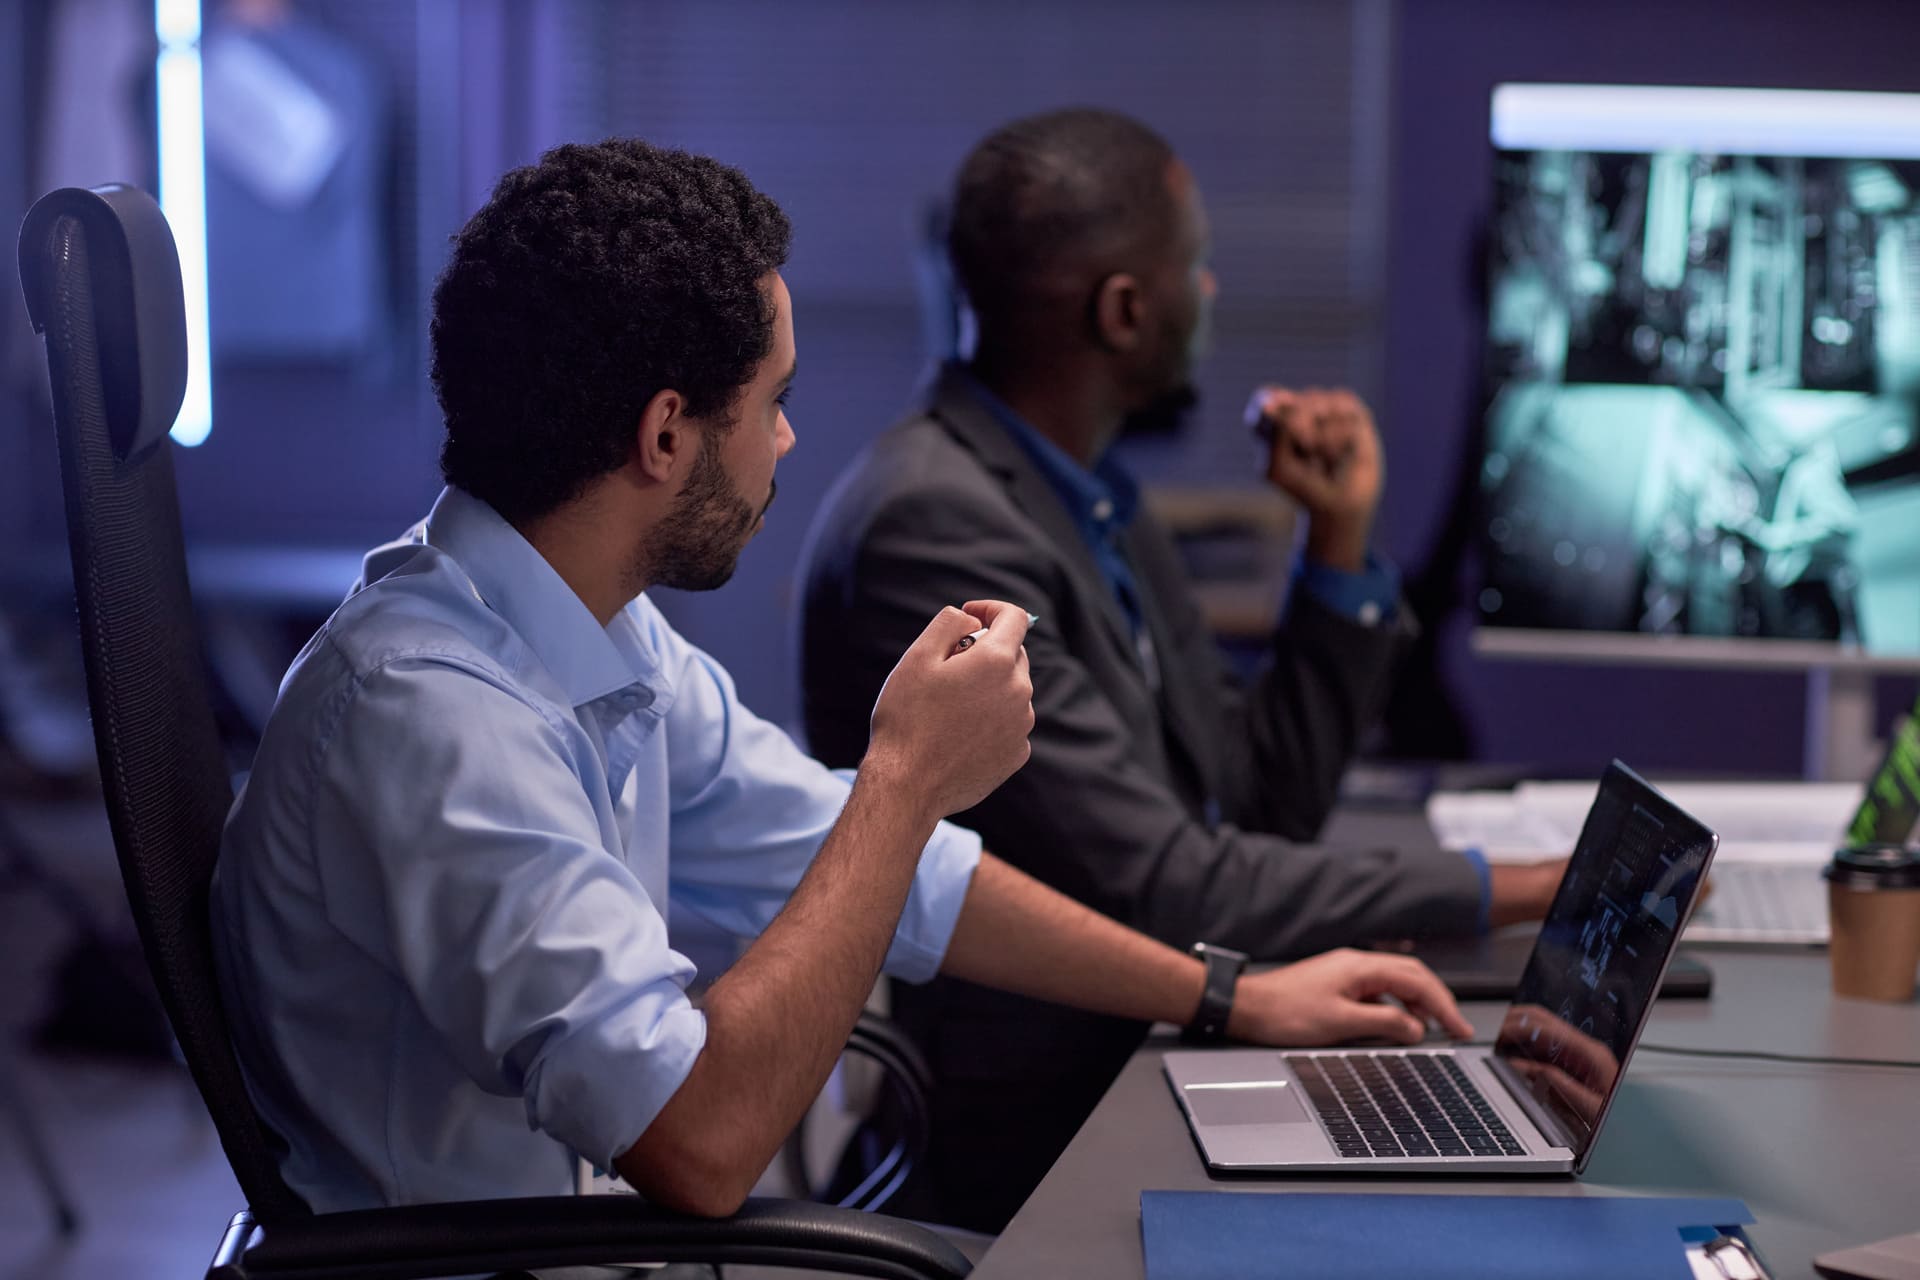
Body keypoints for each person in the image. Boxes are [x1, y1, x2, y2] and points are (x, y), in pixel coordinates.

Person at [207, 137, 1474, 1219]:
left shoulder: (589, 631)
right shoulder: (429, 718)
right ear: (664, 436)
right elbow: (699, 1142)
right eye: (775, 403)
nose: (789, 440)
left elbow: (897, 874)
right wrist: (909, 773)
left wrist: (1223, 990)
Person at [795, 108, 1564, 1229]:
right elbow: (1177, 886)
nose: (1210, 291)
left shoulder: (1090, 499)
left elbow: (1262, 805)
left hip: (1148, 1056)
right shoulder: (940, 523)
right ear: (1125, 309)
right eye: (1195, 266)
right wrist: (1515, 882)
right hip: (1036, 1138)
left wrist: (1337, 548)